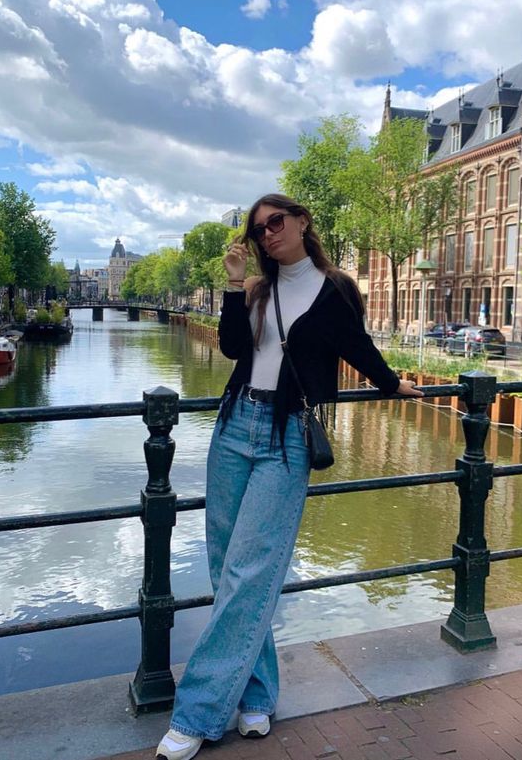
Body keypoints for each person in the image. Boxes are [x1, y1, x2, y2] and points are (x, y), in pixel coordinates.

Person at [156, 193, 423, 760]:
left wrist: (390, 382)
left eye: (277, 222)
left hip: (285, 438)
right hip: (232, 429)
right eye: (259, 231)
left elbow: (358, 345)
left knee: (251, 570)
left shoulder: (334, 290)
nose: (269, 234)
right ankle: (257, 695)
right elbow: (232, 348)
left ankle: (198, 712)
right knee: (229, 567)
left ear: (303, 221)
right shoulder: (258, 290)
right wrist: (233, 282)